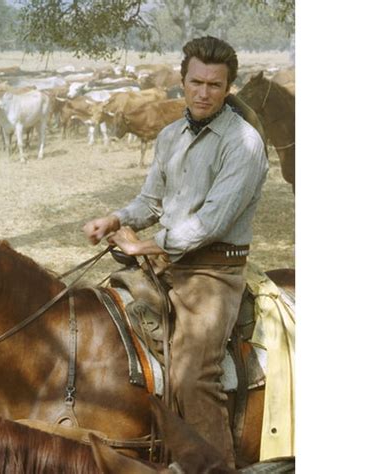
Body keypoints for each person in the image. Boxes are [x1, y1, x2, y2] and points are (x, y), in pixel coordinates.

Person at [83, 36, 268, 469]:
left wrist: (143, 245)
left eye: (215, 85)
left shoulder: (244, 143)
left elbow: (212, 222)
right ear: (182, 82)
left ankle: (213, 465)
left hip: (213, 273)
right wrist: (115, 219)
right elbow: (151, 201)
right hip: (164, 262)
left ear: (228, 89)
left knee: (191, 375)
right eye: (196, 82)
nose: (204, 93)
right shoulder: (170, 135)